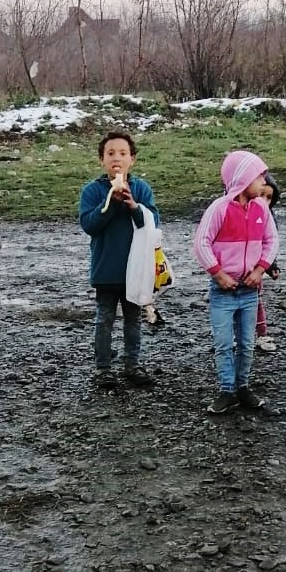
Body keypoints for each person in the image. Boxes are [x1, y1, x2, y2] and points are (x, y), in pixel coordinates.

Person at [193, 150, 279, 414]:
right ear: (242, 179)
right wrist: (218, 274)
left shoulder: (261, 208)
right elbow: (201, 243)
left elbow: (272, 240)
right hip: (223, 292)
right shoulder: (219, 208)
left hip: (250, 290)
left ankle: (243, 387)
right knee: (223, 343)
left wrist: (260, 269)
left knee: (246, 343)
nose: (264, 182)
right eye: (258, 177)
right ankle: (227, 390)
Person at [79, 131, 159, 389]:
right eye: (110, 153)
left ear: (132, 159)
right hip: (106, 269)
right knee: (104, 318)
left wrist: (134, 206)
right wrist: (111, 204)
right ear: (101, 159)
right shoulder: (92, 190)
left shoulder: (141, 189)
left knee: (133, 318)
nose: (117, 158)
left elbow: (151, 224)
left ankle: (132, 365)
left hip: (135, 270)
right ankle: (103, 368)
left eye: (123, 153)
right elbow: (89, 224)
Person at [255, 172, 281, 351]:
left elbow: (270, 243)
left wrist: (271, 265)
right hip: (233, 269)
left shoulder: (268, 218)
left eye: (269, 198)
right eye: (261, 195)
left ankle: (262, 334)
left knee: (255, 301)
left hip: (256, 269)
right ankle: (233, 336)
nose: (265, 201)